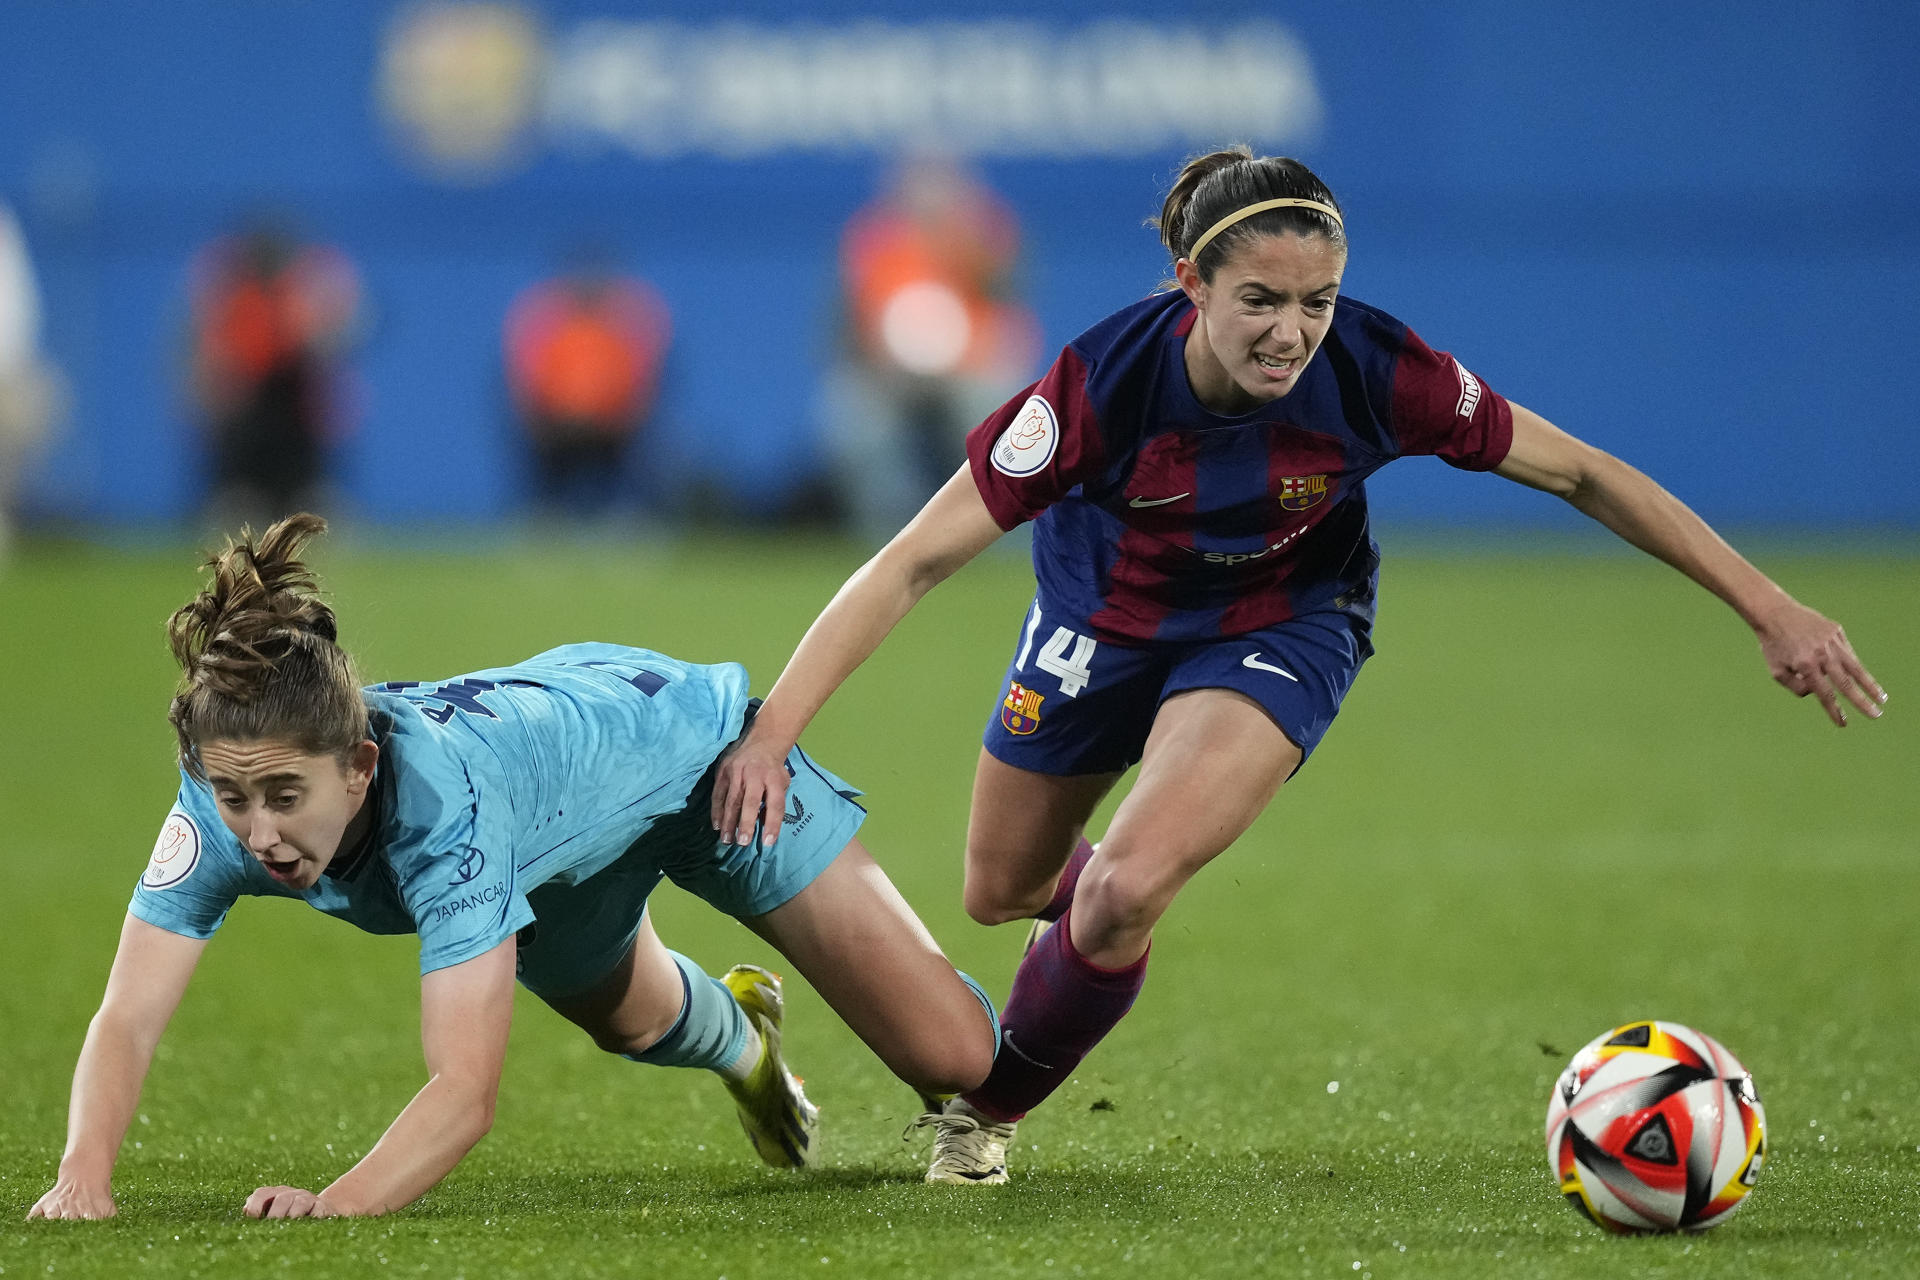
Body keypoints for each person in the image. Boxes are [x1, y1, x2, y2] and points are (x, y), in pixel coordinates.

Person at [710, 146, 1888, 1185]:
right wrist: (772, 730)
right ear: (1191, 286)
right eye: (1260, 300)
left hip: (1282, 622)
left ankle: (988, 1111)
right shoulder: (1098, 385)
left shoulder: (1380, 369)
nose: (1292, 331)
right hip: (1099, 620)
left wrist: (1767, 605)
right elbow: (910, 561)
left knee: (1123, 885)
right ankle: (1087, 940)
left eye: (1317, 300)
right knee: (1001, 891)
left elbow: (1580, 471)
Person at [28, 514, 997, 1221]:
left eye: (286, 796)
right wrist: (84, 1172)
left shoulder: (440, 808)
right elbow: (129, 1011)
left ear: (361, 766)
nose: (257, 831)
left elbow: (463, 1092)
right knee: (637, 1021)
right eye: (232, 796)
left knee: (960, 1063)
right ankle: (746, 1042)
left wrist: (338, 1203)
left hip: (699, 762)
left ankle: (1070, 922)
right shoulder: (222, 793)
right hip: (552, 838)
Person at [819, 157, 1040, 542]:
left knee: (1001, 413)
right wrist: (881, 361)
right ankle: (893, 537)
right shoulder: (875, 239)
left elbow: (1009, 318)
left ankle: (1008, 538)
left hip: (970, 369)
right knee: (854, 417)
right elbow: (849, 328)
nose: (929, 198)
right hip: (889, 374)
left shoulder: (985, 235)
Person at [186, 224, 361, 529]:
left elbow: (329, 350)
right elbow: (221, 367)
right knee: (238, 505)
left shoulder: (301, 295)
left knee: (306, 503)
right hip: (250, 419)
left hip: (292, 421)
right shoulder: (237, 299)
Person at [503, 258, 671, 518]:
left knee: (637, 457)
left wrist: (617, 416)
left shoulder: (625, 324)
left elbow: (644, 381)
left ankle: (625, 517)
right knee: (544, 462)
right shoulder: (546, 324)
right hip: (556, 426)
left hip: (612, 426)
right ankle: (545, 516)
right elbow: (525, 379)